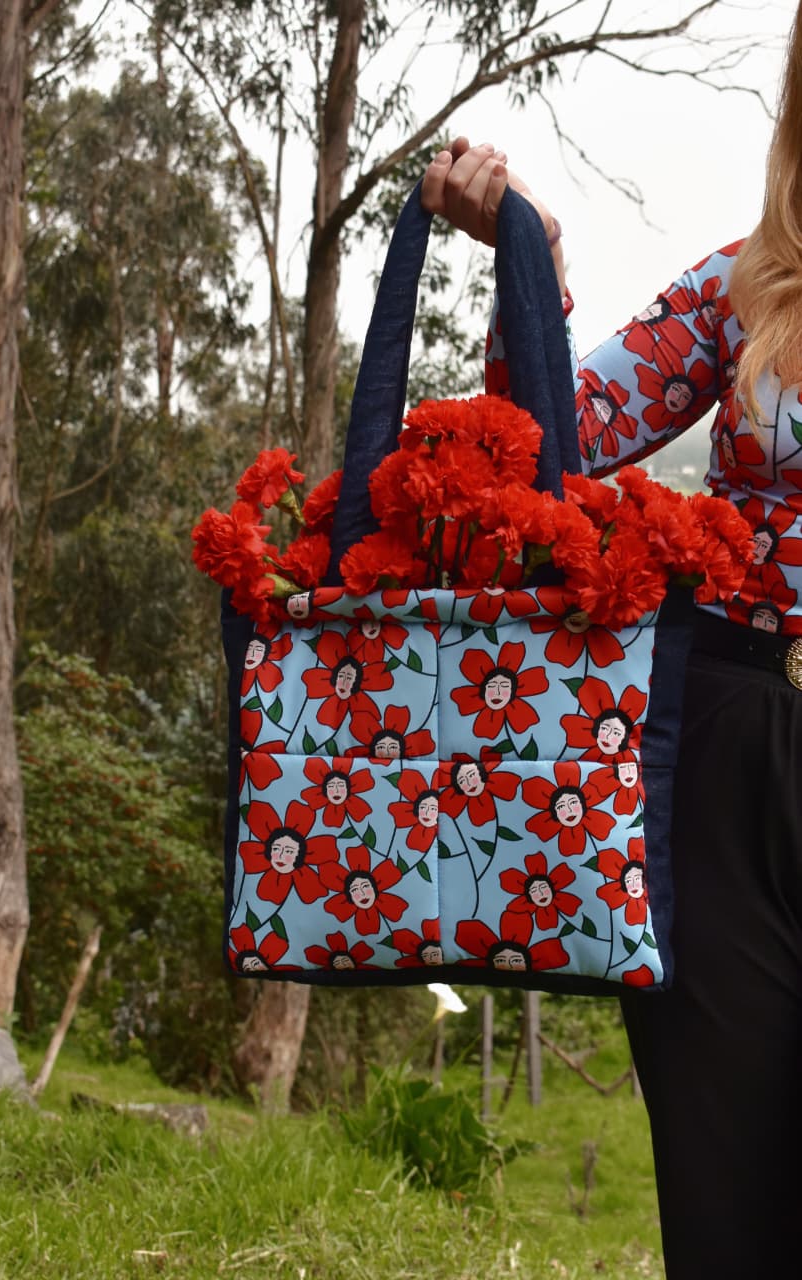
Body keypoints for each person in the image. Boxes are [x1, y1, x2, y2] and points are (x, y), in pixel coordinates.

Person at [420, 8, 802, 1274]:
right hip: (726, 755)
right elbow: (548, 446)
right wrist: (529, 258)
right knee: (726, 1192)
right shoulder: (744, 285)